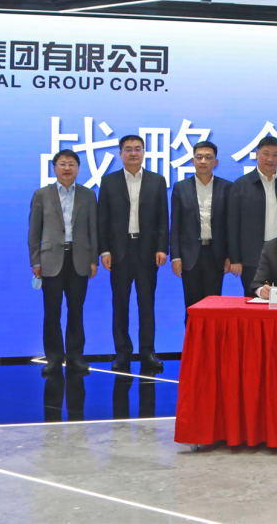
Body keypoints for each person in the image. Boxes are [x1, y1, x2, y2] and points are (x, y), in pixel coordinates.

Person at [98, 135, 169, 373]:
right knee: (120, 304)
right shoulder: (109, 181)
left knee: (146, 304)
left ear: (144, 152)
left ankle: (148, 351)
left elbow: (163, 218)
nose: (133, 153)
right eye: (128, 149)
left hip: (147, 251)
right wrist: (104, 250)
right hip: (119, 251)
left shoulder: (157, 181)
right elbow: (102, 219)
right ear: (120, 154)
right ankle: (122, 353)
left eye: (137, 149)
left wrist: (162, 247)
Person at [29, 149, 98, 377]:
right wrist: (35, 260)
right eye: (62, 164)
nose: (67, 168)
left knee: (76, 310)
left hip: (79, 259)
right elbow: (34, 231)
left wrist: (93, 259)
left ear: (78, 169)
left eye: (71, 164)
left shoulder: (88, 195)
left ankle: (76, 357)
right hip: (50, 259)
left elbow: (93, 230)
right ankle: (54, 358)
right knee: (52, 311)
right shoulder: (42, 194)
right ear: (54, 168)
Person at [227, 135, 277, 296]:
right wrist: (235, 259)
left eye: (275, 154)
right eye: (266, 153)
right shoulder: (241, 185)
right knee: (254, 300)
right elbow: (232, 224)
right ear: (257, 154)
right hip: (251, 256)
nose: (270, 159)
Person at [171, 141, 232, 324]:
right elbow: (176, 225)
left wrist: (230, 255)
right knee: (192, 307)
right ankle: (192, 342)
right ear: (193, 160)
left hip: (216, 254)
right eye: (199, 157)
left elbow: (230, 224)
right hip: (190, 255)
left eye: (208, 157)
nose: (203, 161)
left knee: (214, 306)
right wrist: (176, 257)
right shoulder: (181, 187)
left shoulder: (227, 187)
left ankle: (212, 343)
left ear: (216, 162)